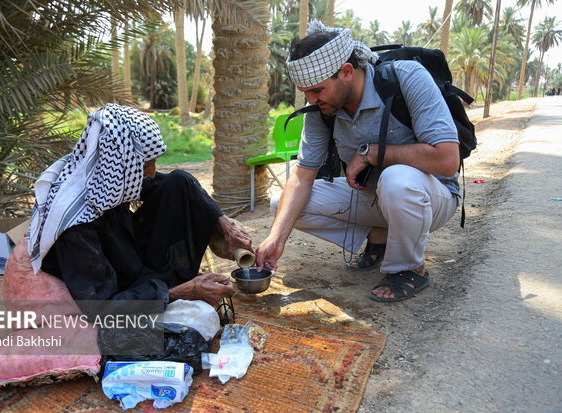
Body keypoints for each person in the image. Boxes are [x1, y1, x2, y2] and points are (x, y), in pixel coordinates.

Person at [255, 21, 460, 302]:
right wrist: (275, 239)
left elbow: (447, 160)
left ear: (347, 72)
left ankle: (409, 268)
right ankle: (380, 234)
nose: (311, 99)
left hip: (431, 198)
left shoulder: (407, 77)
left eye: (316, 90)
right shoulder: (321, 108)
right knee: (282, 205)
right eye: (306, 92)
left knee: (396, 179)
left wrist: (372, 153)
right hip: (375, 198)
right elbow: (302, 177)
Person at [28, 103, 251, 307]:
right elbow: (102, 309)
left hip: (128, 258)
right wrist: (181, 293)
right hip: (110, 289)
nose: (152, 172)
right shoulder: (76, 226)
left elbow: (180, 185)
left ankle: (173, 283)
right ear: (122, 165)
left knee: (179, 182)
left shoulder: (107, 175)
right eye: (148, 164)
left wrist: (224, 224)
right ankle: (176, 287)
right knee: (175, 339)